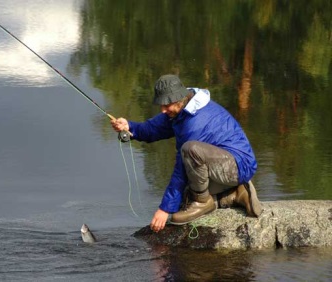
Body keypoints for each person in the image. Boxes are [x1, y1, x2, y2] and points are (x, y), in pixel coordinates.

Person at [111, 74, 261, 233]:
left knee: (190, 150)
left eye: (166, 105)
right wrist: (130, 127)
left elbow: (181, 169)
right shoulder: (182, 108)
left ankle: (204, 201)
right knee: (184, 197)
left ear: (178, 99)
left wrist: (165, 209)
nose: (162, 110)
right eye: (161, 104)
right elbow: (153, 129)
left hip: (237, 165)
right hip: (219, 163)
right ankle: (233, 193)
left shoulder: (196, 122)